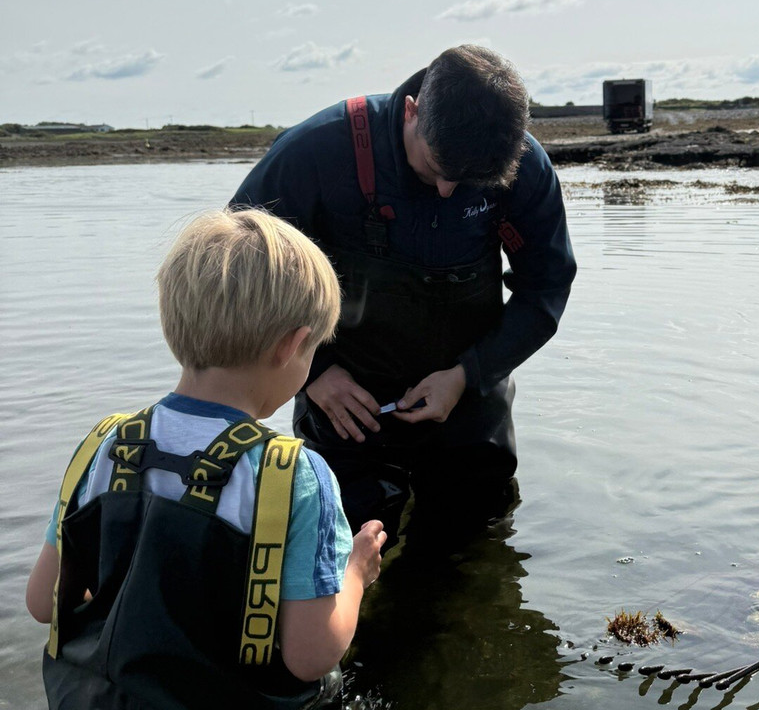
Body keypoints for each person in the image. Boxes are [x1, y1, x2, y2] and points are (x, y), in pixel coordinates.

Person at [25, 209, 387, 709]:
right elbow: (312, 654)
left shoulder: (105, 444)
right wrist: (354, 571)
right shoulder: (295, 475)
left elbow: (45, 602)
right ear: (293, 346)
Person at [230, 44, 576, 550]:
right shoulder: (316, 152)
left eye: (466, 184)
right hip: (344, 400)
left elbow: (545, 288)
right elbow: (238, 271)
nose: (445, 191)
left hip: (468, 391)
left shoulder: (526, 167)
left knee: (474, 541)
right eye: (435, 168)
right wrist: (315, 372)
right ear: (411, 110)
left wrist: (466, 376)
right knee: (337, 545)